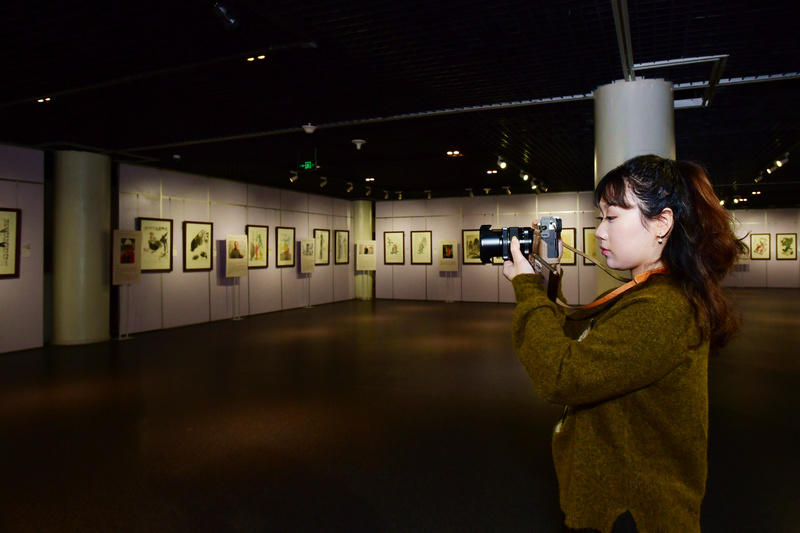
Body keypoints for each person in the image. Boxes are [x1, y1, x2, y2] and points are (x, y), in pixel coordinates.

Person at [502, 155, 746, 533]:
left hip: (631, 512)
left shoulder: (662, 308)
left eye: (612, 217)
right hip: (625, 504)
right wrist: (544, 281)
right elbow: (586, 348)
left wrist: (526, 289)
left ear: (662, 223)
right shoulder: (655, 293)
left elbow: (562, 374)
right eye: (601, 218)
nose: (600, 232)